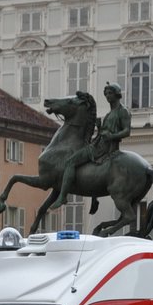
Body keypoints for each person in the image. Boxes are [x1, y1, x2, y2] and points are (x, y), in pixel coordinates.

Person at [50, 82, 130, 210]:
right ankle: (94, 196)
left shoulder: (123, 112)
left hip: (103, 148)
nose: (108, 96)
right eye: (106, 94)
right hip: (98, 143)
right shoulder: (110, 113)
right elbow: (106, 130)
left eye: (110, 93)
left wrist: (112, 136)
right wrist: (99, 127)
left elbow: (127, 131)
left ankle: (63, 197)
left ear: (117, 95)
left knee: (70, 162)